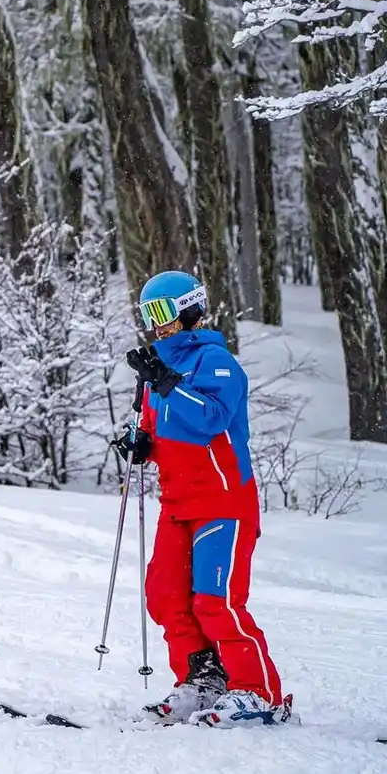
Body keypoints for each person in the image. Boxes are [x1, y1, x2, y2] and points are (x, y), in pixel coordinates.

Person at [113, 270, 284, 727]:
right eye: (148, 314)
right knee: (165, 594)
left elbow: (210, 418)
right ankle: (203, 678)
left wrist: (167, 381)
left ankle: (259, 693)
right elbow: (157, 429)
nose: (156, 323)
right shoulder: (157, 371)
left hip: (223, 501)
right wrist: (140, 444)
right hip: (178, 502)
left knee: (216, 600)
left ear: (189, 310)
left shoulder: (217, 362)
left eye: (163, 313)